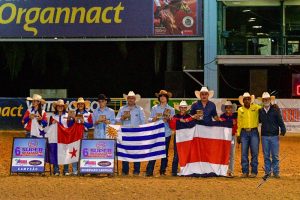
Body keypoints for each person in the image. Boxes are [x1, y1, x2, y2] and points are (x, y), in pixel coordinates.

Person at [146, 90, 175, 177]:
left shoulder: (171, 109)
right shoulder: (154, 108)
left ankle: (163, 170)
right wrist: (154, 119)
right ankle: (149, 171)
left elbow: (173, 123)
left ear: (167, 98)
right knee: (153, 151)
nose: (162, 97)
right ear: (159, 98)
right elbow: (149, 119)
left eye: (164, 96)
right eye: (161, 96)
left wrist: (170, 119)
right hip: (156, 132)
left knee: (165, 153)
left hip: (166, 132)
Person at [116, 91, 146, 176]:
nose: (131, 99)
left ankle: (136, 170)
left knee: (137, 151)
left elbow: (143, 121)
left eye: (132, 98)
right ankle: (125, 170)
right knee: (125, 151)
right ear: (127, 99)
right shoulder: (122, 108)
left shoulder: (139, 109)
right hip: (125, 132)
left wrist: (142, 130)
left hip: (136, 133)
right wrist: (121, 118)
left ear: (135, 99)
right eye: (129, 98)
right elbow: (116, 119)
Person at [259, 92, 286, 178]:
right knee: (266, 155)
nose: (266, 100)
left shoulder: (275, 110)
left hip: (274, 136)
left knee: (275, 155)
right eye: (264, 99)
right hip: (264, 136)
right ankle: (267, 172)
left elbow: (280, 120)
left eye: (267, 99)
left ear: (270, 100)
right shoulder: (260, 111)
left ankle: (276, 172)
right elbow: (259, 121)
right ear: (262, 100)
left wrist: (283, 129)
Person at [237, 92, 261, 178]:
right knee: (244, 153)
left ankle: (254, 171)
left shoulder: (256, 107)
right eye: (245, 99)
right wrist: (238, 134)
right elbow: (239, 123)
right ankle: (245, 171)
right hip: (243, 133)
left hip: (254, 131)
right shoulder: (240, 110)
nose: (247, 100)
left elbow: (265, 107)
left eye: (248, 99)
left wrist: (273, 106)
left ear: (250, 100)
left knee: (254, 152)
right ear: (243, 101)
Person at [69, 97, 93, 175]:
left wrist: (83, 122)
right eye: (79, 104)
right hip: (74, 134)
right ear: (77, 105)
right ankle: (75, 170)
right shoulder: (73, 113)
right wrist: (72, 119)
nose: (80, 105)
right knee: (74, 151)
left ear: (84, 105)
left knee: (84, 152)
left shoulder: (88, 114)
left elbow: (90, 125)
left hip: (84, 133)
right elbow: (69, 125)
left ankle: (84, 170)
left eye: (82, 104)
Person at [169, 100, 193, 176]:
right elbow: (172, 126)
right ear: (179, 108)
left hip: (186, 137)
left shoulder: (189, 117)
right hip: (179, 137)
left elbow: (191, 124)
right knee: (176, 154)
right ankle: (174, 171)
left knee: (186, 154)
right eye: (181, 108)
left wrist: (182, 121)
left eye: (184, 108)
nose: (183, 109)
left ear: (186, 109)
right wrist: (181, 121)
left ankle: (186, 170)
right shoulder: (176, 116)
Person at [49, 99, 72, 176]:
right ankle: (56, 170)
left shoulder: (67, 115)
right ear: (56, 107)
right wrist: (52, 123)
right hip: (55, 137)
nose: (60, 107)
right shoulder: (52, 116)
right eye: (58, 106)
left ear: (63, 107)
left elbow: (70, 126)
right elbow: (49, 127)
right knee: (55, 152)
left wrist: (70, 120)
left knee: (65, 153)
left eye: (61, 106)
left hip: (65, 137)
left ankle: (66, 170)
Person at [220, 101, 238, 177]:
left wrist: (226, 121)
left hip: (232, 136)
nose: (228, 108)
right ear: (225, 108)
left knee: (232, 154)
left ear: (232, 108)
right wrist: (230, 122)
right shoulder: (223, 116)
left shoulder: (234, 116)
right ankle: (223, 170)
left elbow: (235, 125)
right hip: (224, 137)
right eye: (227, 107)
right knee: (224, 153)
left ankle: (230, 171)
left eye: (230, 107)